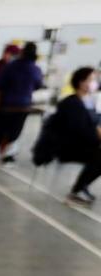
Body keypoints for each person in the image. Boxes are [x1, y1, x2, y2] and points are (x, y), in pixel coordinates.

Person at [53, 67, 101, 206]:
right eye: (91, 80)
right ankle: (77, 191)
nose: (94, 83)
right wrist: (97, 136)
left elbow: (94, 124)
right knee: (99, 156)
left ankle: (81, 186)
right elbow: (77, 129)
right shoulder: (71, 103)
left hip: (85, 143)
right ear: (81, 82)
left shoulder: (89, 101)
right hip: (69, 146)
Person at [0, 42, 43, 163]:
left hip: (6, 104)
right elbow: (38, 85)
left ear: (22, 52)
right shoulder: (36, 69)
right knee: (15, 130)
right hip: (23, 105)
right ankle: (8, 155)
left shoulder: (10, 66)